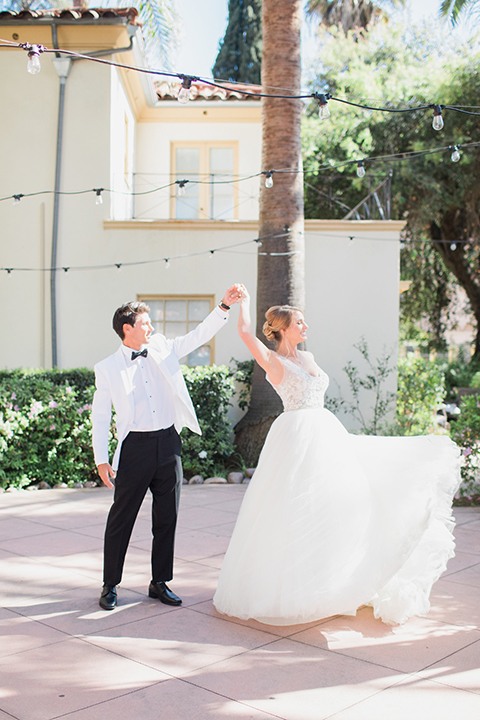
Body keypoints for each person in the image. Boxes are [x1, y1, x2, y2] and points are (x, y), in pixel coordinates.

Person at [213, 287, 461, 626]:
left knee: (342, 502)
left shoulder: (309, 358)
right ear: (283, 328)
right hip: (296, 437)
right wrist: (240, 302)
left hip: (326, 435)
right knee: (295, 507)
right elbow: (244, 332)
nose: (305, 326)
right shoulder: (273, 361)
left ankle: (338, 581)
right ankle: (292, 587)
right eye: (299, 322)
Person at [92, 285, 243, 610]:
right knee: (122, 518)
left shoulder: (161, 347)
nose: (151, 328)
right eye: (145, 324)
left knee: (167, 517)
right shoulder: (106, 368)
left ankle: (159, 582)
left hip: (167, 444)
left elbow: (198, 335)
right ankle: (110, 585)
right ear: (127, 329)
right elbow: (101, 417)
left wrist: (224, 306)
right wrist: (101, 459)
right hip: (134, 449)